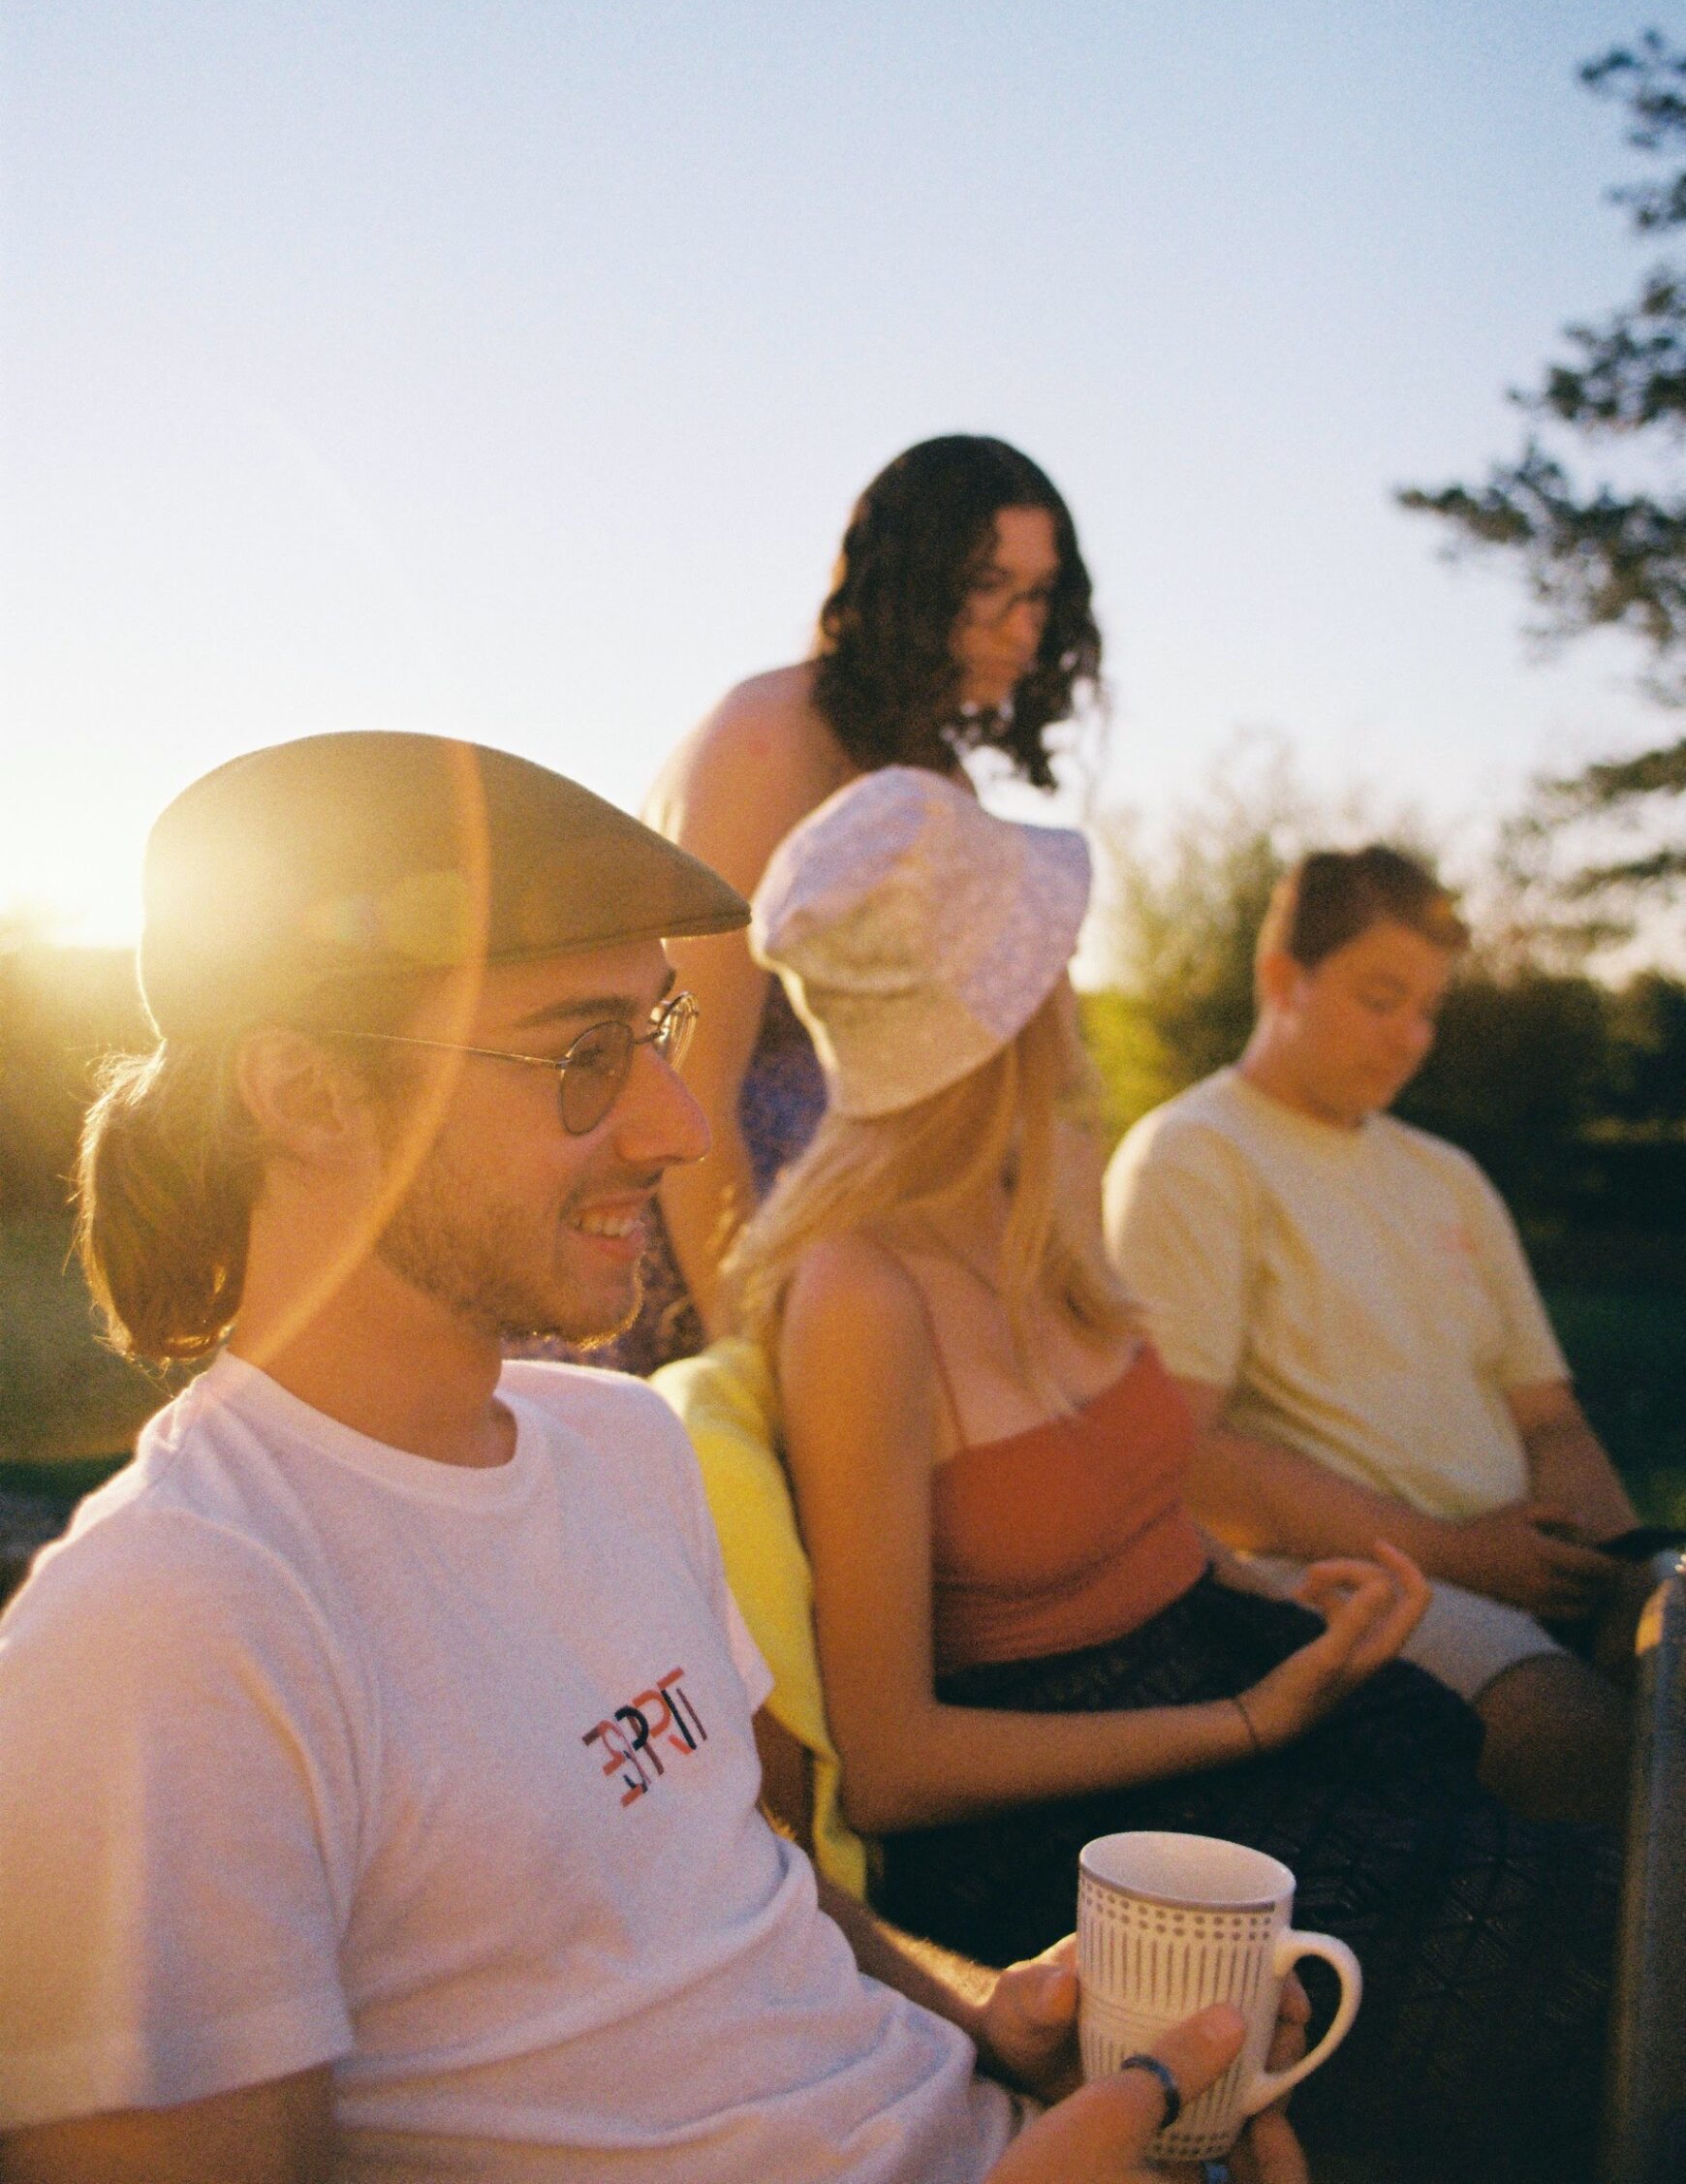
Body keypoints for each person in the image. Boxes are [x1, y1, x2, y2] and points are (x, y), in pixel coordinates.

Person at [0, 730, 1303, 2184]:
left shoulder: (622, 1441)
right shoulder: (172, 1626)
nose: (679, 1126)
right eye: (581, 1055)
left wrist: (991, 2012)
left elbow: (756, 1886)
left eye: (661, 1033)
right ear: (307, 1094)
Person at [734, 767, 1619, 2184]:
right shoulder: (858, 1292)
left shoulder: (1048, 1184)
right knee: (1548, 1970)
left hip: (1224, 1676)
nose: (1072, 982)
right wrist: (1251, 1721)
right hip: (1075, 1826)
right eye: (1046, 958)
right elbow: (893, 1766)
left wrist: (1273, 1587)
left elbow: (1145, 1507)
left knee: (1603, 1895)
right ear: (1010, 1006)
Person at [1102, 844, 1647, 1825]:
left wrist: (1625, 1575)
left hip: (1523, 1568)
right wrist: (1456, 1551)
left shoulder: (1448, 1174)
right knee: (1606, 1757)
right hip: (1366, 1583)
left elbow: (1551, 1419)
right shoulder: (1194, 1155)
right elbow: (1171, 1455)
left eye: (1428, 1010)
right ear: (1282, 979)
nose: (1409, 1037)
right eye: (1380, 996)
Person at [617, 432, 1102, 1371]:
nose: (1020, 627)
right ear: (908, 584)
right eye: (987, 585)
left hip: (864, 1252)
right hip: (712, 1243)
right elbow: (689, 1078)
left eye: (1039, 595)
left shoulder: (938, 780)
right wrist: (758, 1358)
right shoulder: (767, 736)